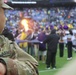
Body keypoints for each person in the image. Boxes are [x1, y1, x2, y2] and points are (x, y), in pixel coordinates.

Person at [0, 1, 38, 75]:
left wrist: (5, 67)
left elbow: (33, 68)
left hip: (24, 46)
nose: (5, 18)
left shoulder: (5, 42)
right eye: (3, 12)